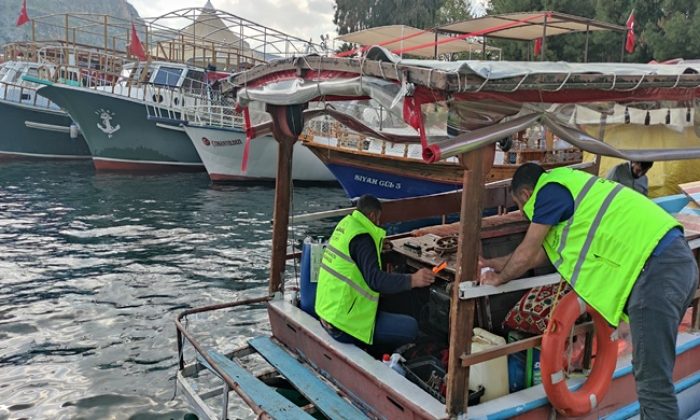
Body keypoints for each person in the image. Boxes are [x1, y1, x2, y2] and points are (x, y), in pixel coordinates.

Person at [480, 163, 697, 419]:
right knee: (649, 370)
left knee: (653, 385)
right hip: (673, 264)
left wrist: (498, 279)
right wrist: (491, 264)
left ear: (526, 195)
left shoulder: (547, 193)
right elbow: (538, 255)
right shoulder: (569, 186)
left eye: (519, 206)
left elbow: (526, 254)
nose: (524, 213)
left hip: (656, 275)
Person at [315, 194, 435, 349]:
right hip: (344, 325)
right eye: (378, 219)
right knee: (410, 327)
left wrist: (377, 247)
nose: (379, 223)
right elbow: (376, 280)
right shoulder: (363, 239)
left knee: (396, 298)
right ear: (372, 215)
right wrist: (414, 280)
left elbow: (354, 258)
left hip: (327, 313)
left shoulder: (347, 225)